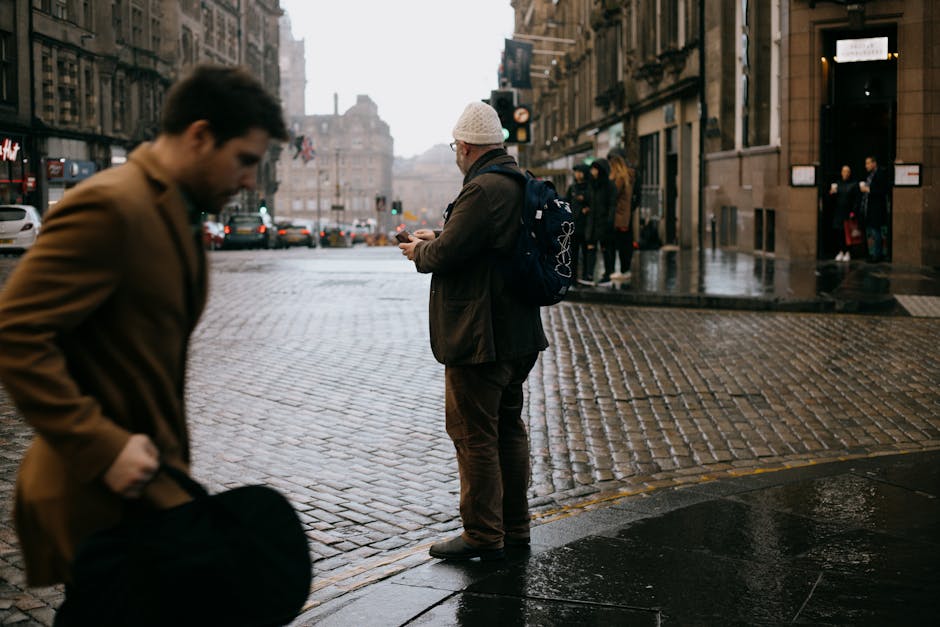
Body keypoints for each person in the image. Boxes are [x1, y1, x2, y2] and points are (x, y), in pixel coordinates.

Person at [0, 65, 287, 618]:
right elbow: (16, 332)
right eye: (246, 160)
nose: (250, 180)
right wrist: (103, 446)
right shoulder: (110, 204)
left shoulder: (175, 210)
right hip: (100, 494)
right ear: (200, 135)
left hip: (152, 493)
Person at [399, 101, 548, 561]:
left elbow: (446, 256)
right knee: (507, 428)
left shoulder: (481, 190)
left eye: (455, 148)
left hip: (481, 336)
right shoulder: (517, 183)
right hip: (518, 333)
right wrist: (438, 239)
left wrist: (417, 252)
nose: (455, 155)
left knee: (473, 433)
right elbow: (473, 244)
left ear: (465, 146)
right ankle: (515, 527)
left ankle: (483, 534)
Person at [585, 158, 617, 284]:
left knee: (606, 249)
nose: (592, 171)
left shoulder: (609, 186)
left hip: (604, 222)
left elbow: (612, 204)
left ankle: (608, 273)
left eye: (595, 169)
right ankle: (589, 274)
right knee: (591, 248)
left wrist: (610, 220)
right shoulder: (591, 185)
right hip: (592, 222)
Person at [607, 153, 637, 280]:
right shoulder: (628, 177)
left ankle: (623, 270)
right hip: (624, 216)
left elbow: (613, 193)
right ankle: (625, 269)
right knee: (624, 243)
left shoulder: (619, 178)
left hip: (619, 216)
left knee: (619, 244)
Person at [859, 155, 890, 262]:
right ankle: (873, 254)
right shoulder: (870, 175)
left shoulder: (880, 173)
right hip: (869, 208)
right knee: (872, 232)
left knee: (876, 231)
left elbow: (883, 190)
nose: (866, 166)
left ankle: (877, 255)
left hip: (876, 209)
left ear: (874, 163)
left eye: (868, 163)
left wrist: (868, 189)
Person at [564, 163, 591, 285]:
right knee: (573, 254)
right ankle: (573, 278)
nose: (577, 174)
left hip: (585, 226)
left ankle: (585, 276)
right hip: (574, 225)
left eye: (579, 172)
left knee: (586, 254)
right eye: (576, 172)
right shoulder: (572, 188)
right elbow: (567, 203)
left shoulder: (589, 188)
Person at [829, 164, 860, 262]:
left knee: (848, 233)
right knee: (839, 232)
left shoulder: (854, 184)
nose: (845, 173)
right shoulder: (838, 184)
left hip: (848, 212)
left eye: (847, 171)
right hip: (839, 212)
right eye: (844, 171)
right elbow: (833, 200)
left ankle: (848, 252)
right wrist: (831, 193)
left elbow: (856, 200)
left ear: (850, 173)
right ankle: (841, 251)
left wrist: (853, 211)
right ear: (841, 173)